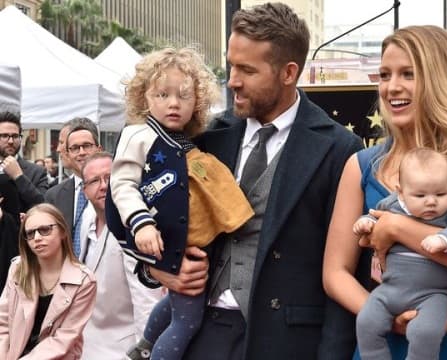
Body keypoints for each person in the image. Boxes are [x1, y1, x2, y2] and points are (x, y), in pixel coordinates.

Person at [133, 4, 363, 359]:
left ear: (288, 73)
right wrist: (157, 271)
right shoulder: (207, 136)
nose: (232, 80)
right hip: (202, 334)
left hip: (287, 342)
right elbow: (155, 213)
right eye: (231, 65)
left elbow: (347, 270)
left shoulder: (338, 148)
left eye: (247, 70)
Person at [323, 25, 447, 359]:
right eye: (385, 75)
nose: (392, 87)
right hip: (387, 339)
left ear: (441, 79)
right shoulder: (360, 166)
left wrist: (399, 227)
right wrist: (386, 317)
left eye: (408, 74)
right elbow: (334, 272)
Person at [106, 47, 254, 360]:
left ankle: (144, 346)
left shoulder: (188, 141)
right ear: (145, 97)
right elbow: (121, 185)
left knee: (177, 306)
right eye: (162, 94)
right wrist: (141, 222)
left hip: (193, 245)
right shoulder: (138, 135)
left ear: (197, 102)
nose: (173, 103)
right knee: (187, 321)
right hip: (167, 244)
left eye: (184, 96)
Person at [354, 148, 447, 359]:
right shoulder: (392, 204)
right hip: (390, 289)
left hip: (433, 293)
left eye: (441, 194)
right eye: (420, 195)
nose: (431, 201)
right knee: (366, 322)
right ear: (400, 191)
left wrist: (445, 238)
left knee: (425, 332)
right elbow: (376, 218)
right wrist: (366, 223)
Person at [78, 152, 164, 359]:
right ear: (85, 190)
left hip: (122, 349)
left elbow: (147, 303)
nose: (103, 186)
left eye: (109, 178)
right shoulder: (87, 219)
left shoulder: (135, 231)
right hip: (86, 343)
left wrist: (143, 352)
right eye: (95, 181)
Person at [0, 203, 97, 360]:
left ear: (63, 232)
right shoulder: (17, 268)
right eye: (30, 233)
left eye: (45, 230)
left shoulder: (84, 280)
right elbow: (3, 322)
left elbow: (64, 338)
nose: (37, 238)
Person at [45, 118, 102, 257]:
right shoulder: (54, 196)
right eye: (75, 148)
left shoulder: (115, 188)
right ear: (68, 153)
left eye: (87, 146)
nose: (81, 152)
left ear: (99, 149)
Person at [0, 110, 48, 213]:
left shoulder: (37, 172)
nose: (10, 141)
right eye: (4, 136)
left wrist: (19, 177)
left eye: (15, 136)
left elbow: (44, 207)